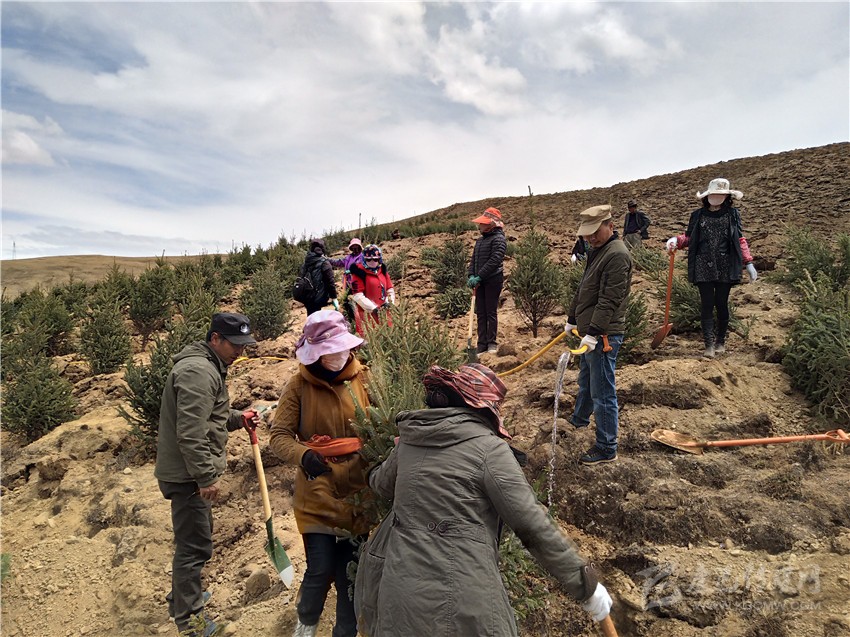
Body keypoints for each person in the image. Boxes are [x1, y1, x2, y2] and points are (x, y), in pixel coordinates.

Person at [355, 363, 613, 636]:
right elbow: (531, 524)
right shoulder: (490, 450)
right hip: (461, 597)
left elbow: (381, 484)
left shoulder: (410, 441)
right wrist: (585, 586)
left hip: (399, 590)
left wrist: (369, 470)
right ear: (484, 409)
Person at [154, 312, 260, 637]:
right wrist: (205, 477)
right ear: (215, 338)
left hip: (187, 472)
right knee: (194, 547)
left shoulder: (206, 366)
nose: (240, 351)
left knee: (195, 537)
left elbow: (210, 415)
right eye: (235, 344)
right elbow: (190, 432)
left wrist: (238, 418)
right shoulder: (199, 372)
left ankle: (182, 598)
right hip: (187, 476)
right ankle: (191, 622)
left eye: (244, 344)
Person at [269, 310, 373, 637]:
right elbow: (279, 436)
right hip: (316, 491)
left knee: (350, 574)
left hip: (358, 493)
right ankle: (306, 625)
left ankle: (345, 631)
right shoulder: (299, 385)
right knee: (320, 568)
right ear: (315, 353)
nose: (338, 355)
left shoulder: (365, 379)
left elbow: (385, 424)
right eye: (330, 351)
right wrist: (304, 455)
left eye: (342, 348)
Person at [565, 205, 632, 465]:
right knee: (586, 382)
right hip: (591, 331)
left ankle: (607, 447)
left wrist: (593, 333)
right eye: (587, 234)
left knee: (603, 392)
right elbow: (584, 289)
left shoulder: (617, 255)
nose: (590, 238)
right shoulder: (598, 251)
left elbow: (609, 300)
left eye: (595, 232)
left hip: (604, 335)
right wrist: (572, 318)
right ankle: (578, 421)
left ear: (610, 226)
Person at [666, 178, 757, 358]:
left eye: (720, 194)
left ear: (727, 197)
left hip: (725, 264)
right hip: (703, 264)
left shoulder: (732, 214)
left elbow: (739, 239)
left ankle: (720, 341)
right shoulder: (697, 215)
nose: (716, 197)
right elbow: (690, 237)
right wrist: (677, 240)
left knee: (721, 303)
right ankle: (708, 344)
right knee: (707, 304)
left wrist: (748, 262)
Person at [467, 207, 507, 354]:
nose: (480, 226)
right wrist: (471, 275)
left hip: (493, 280)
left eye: (482, 223)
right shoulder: (479, 241)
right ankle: (481, 344)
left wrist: (480, 276)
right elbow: (474, 260)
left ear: (491, 224)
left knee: (490, 312)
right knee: (481, 313)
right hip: (480, 282)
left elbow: (495, 260)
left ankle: (491, 343)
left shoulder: (499, 239)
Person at [349, 244, 395, 336]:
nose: (372, 262)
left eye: (375, 259)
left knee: (388, 335)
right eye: (368, 259)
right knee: (370, 338)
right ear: (364, 259)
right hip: (367, 314)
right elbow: (357, 295)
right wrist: (373, 308)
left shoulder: (382, 270)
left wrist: (389, 302)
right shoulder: (359, 272)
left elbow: (390, 288)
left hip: (385, 312)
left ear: (379, 259)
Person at [300, 239, 338, 315]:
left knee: (311, 316)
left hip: (307, 296)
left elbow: (301, 276)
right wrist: (334, 297)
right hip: (318, 297)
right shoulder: (324, 262)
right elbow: (330, 281)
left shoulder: (306, 262)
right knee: (317, 318)